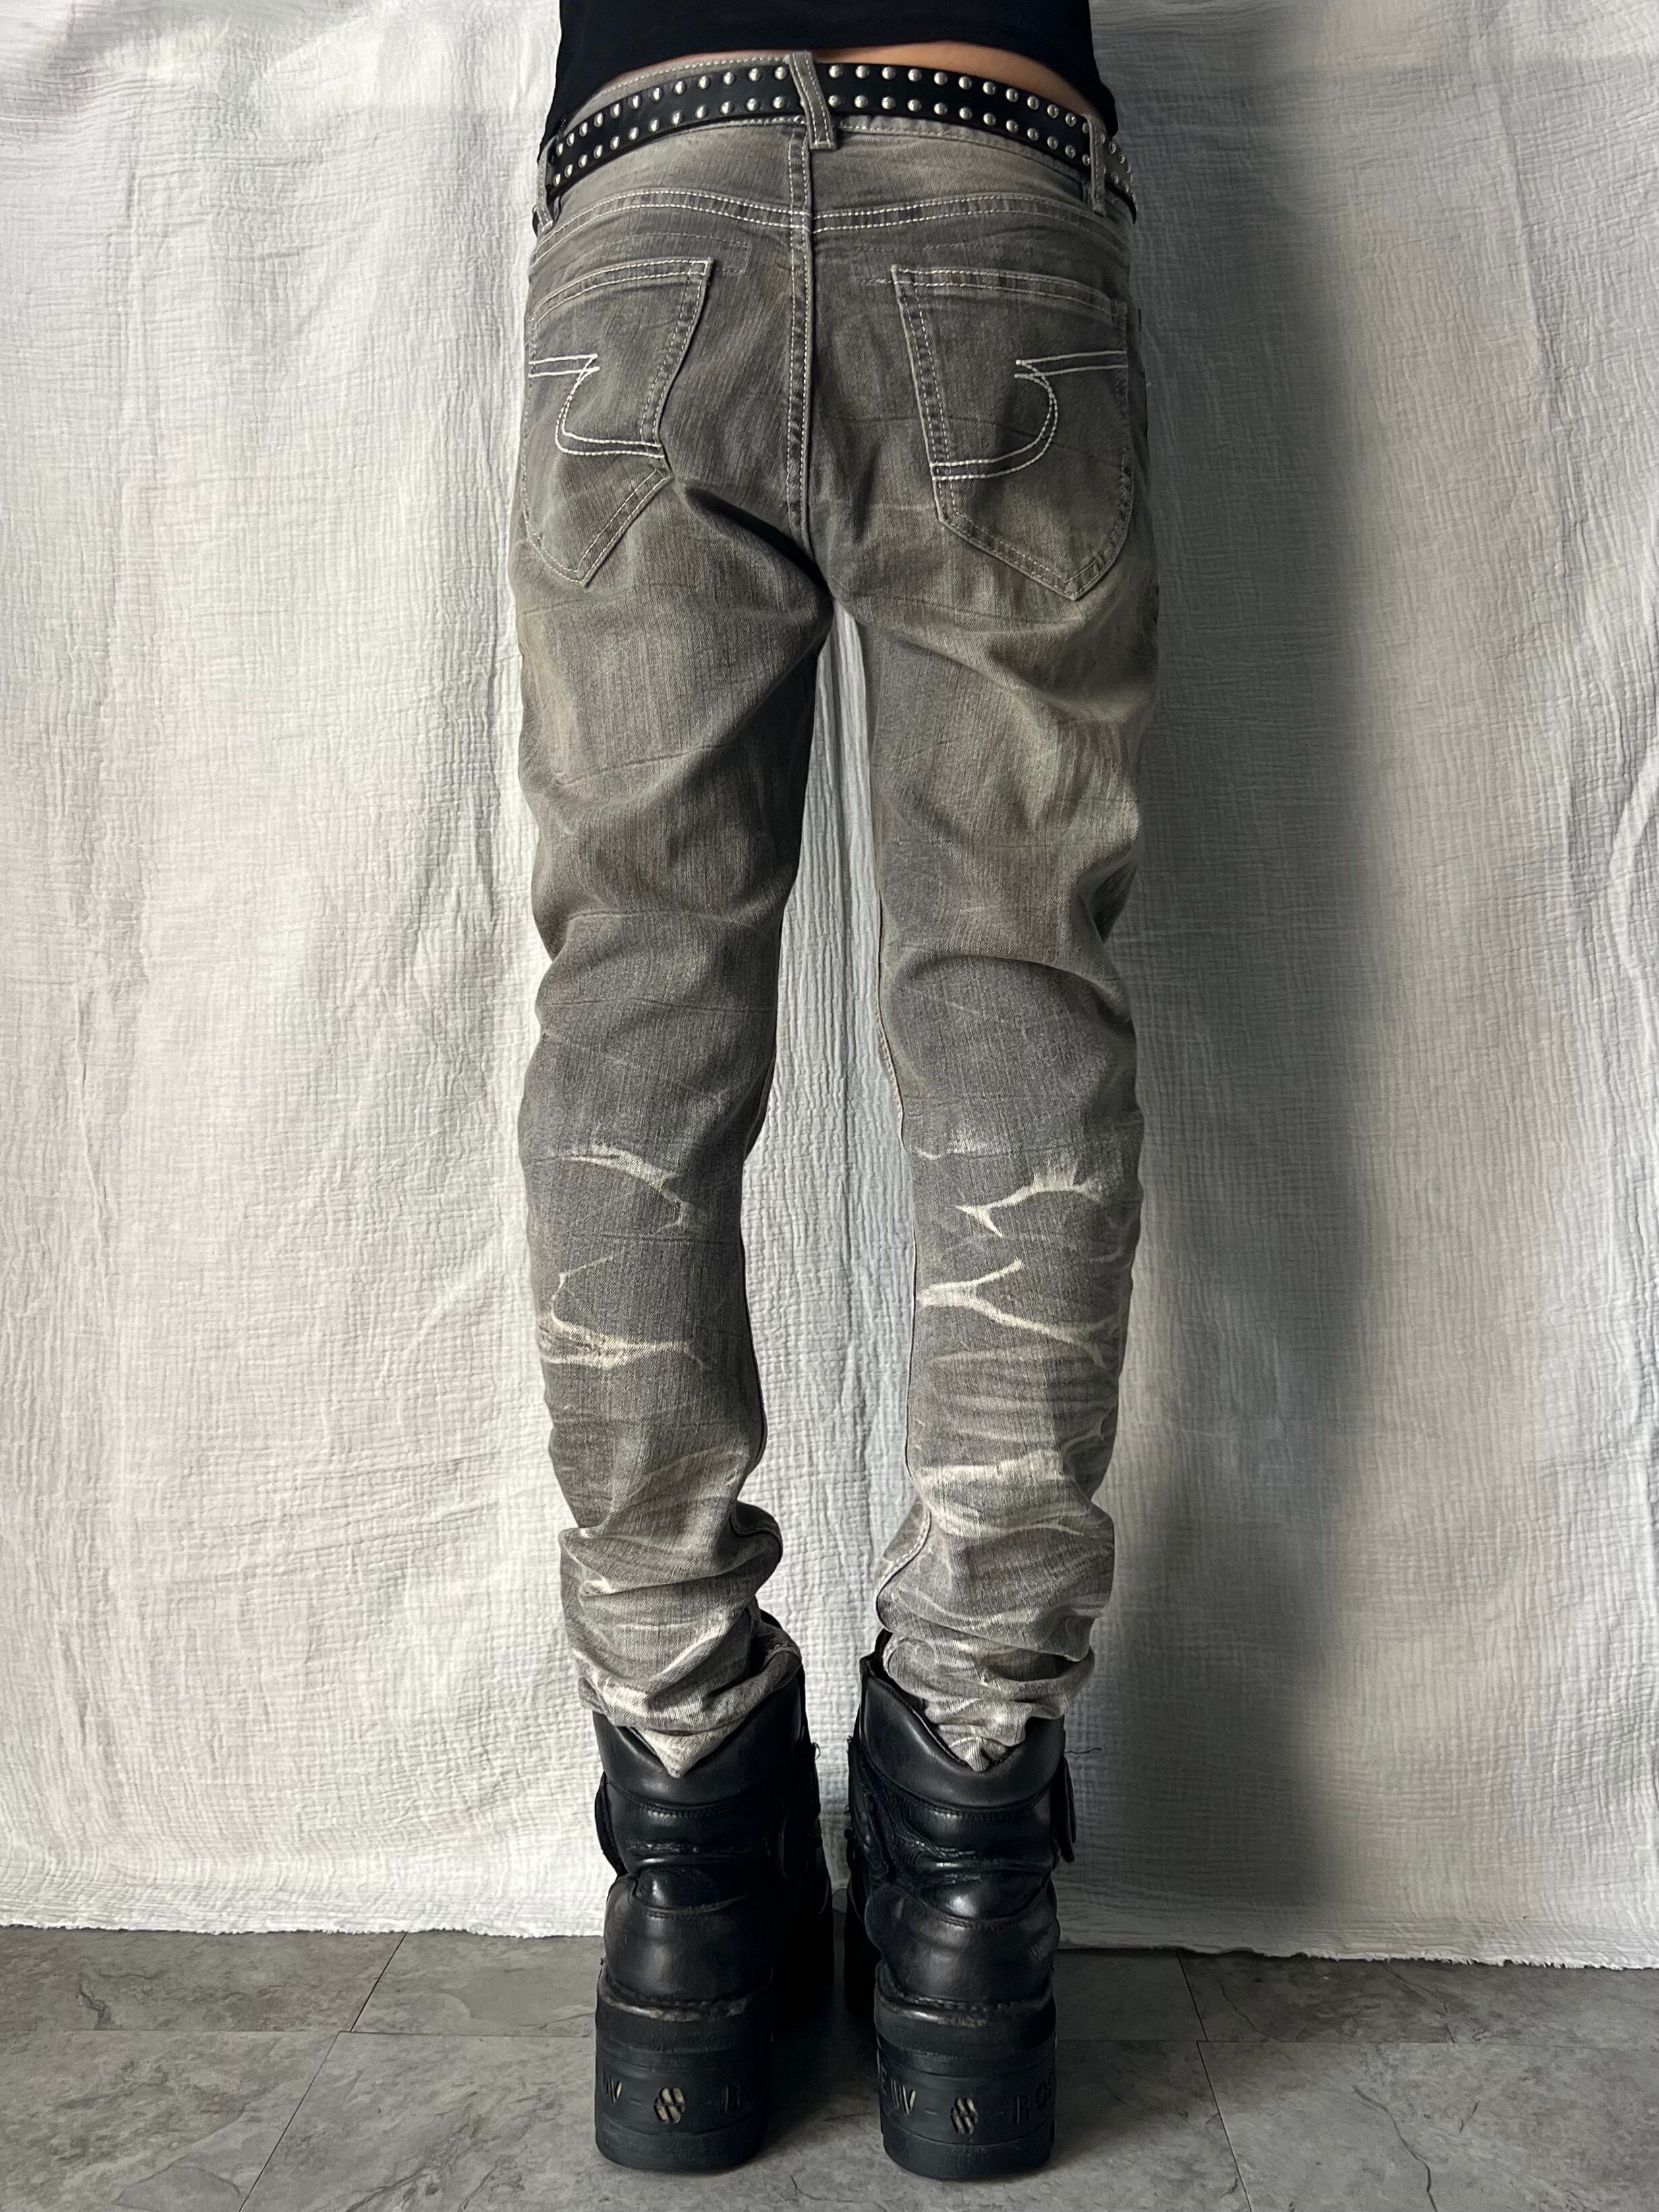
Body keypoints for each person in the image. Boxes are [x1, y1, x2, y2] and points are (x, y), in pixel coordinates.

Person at [508, 3, 1158, 2179]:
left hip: (651, 204)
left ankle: (687, 1850)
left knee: (632, 1005)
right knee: (1017, 994)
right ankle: (969, 1844)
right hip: (991, 183)